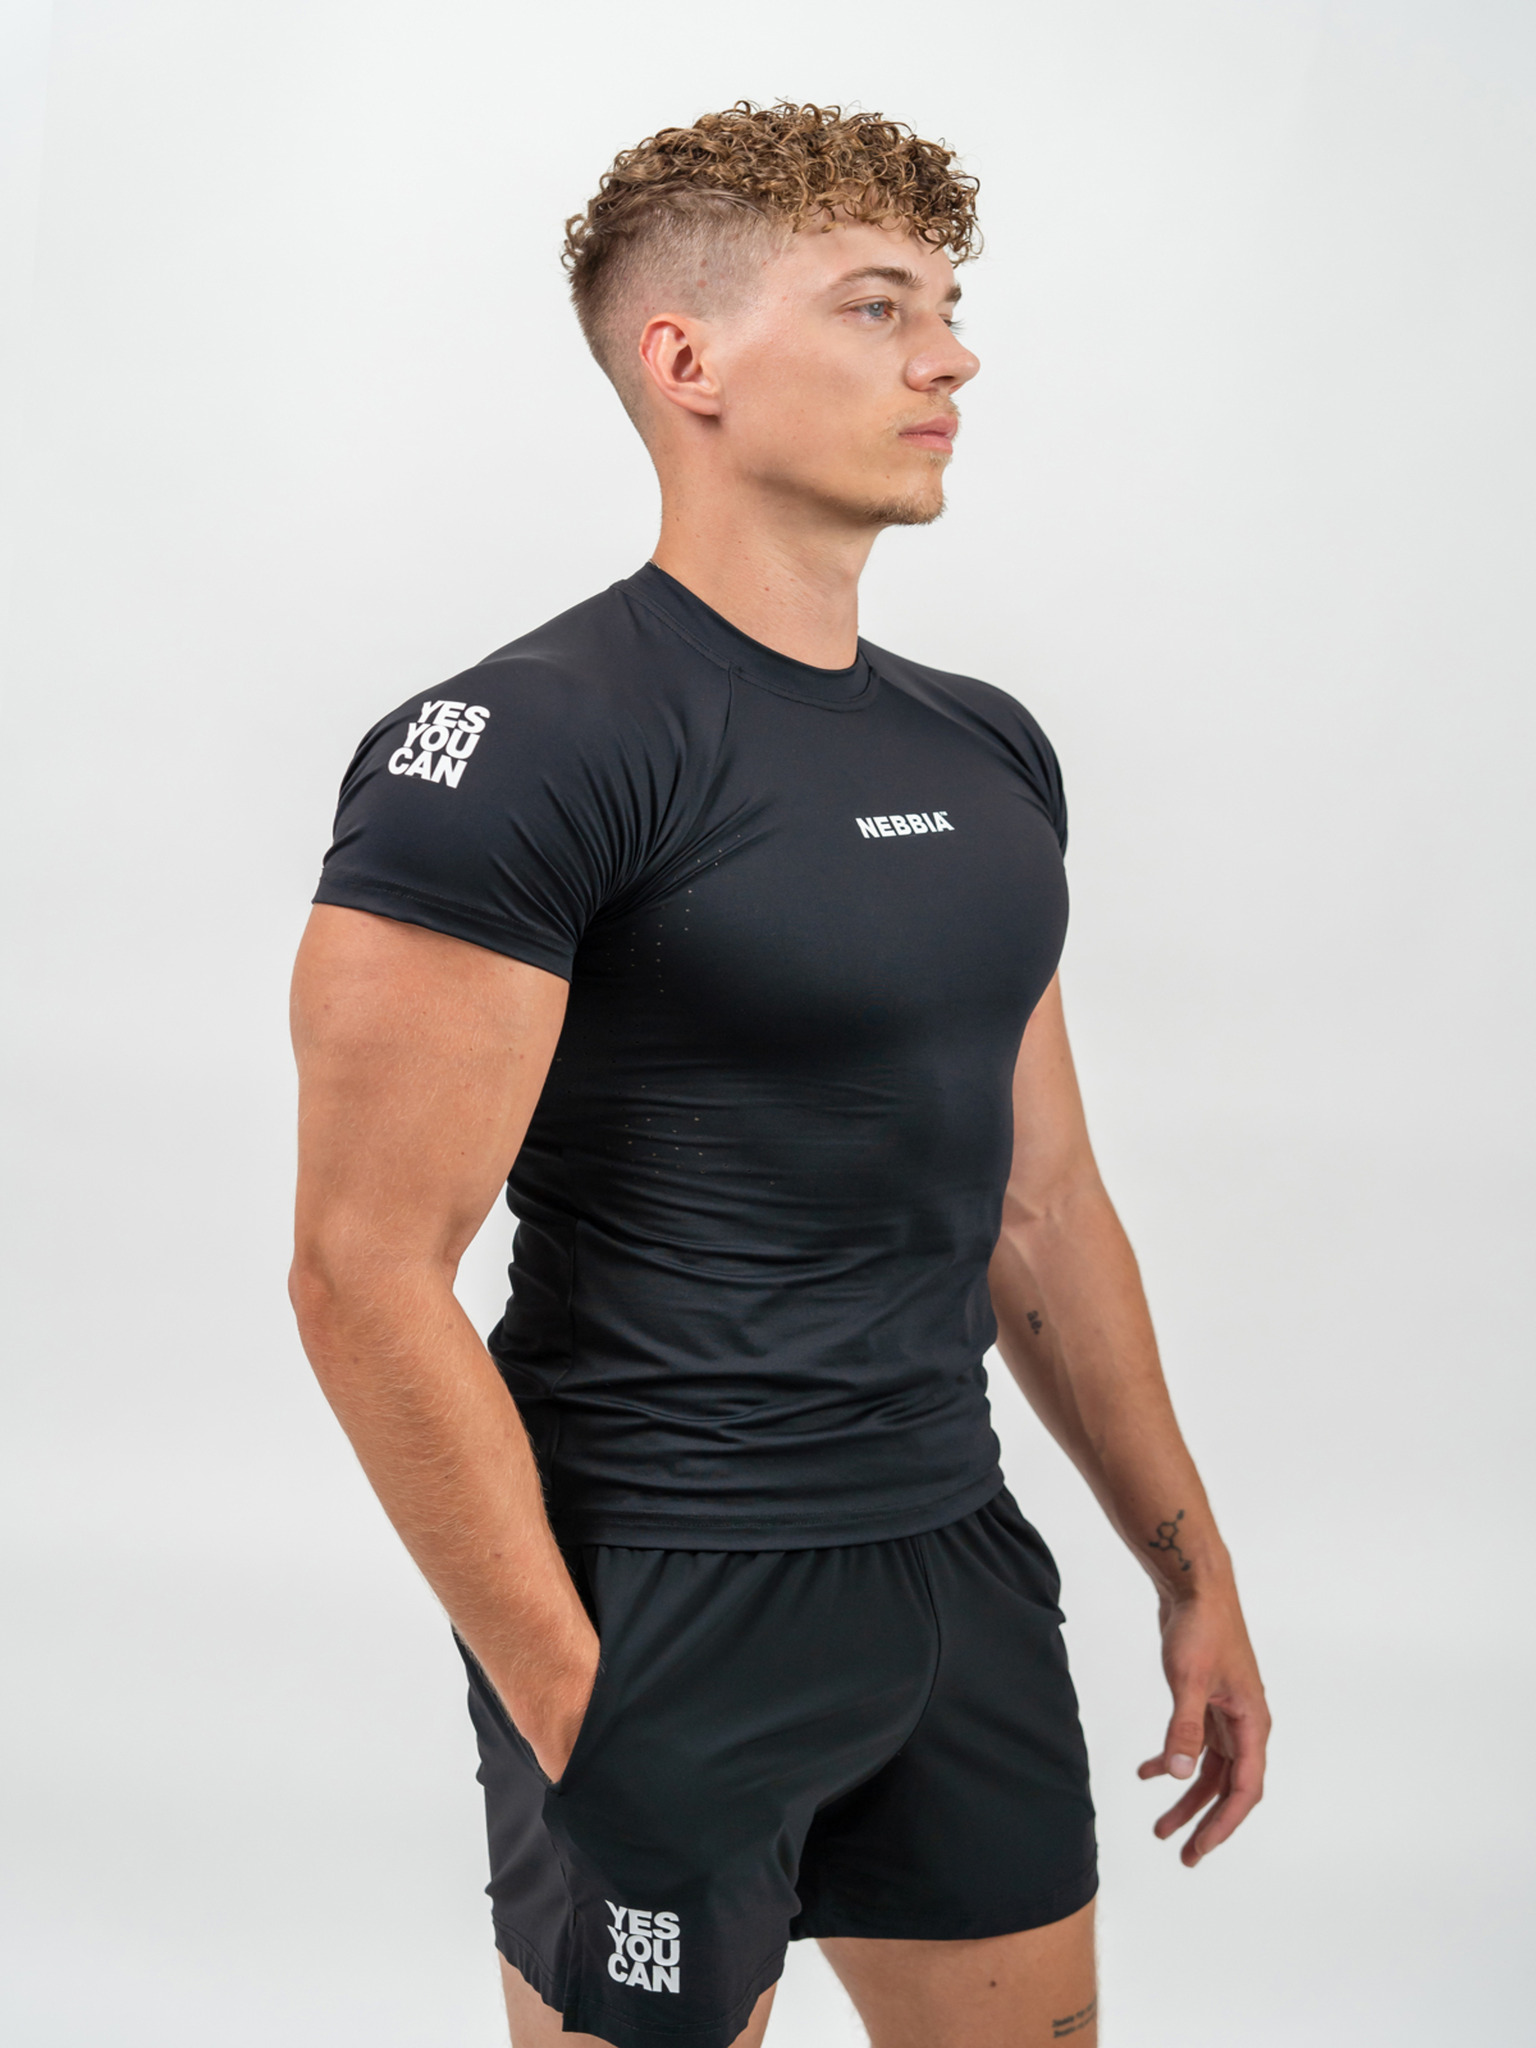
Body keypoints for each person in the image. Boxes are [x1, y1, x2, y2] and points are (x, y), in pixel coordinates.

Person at [289, 101, 1269, 2048]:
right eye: (879, 305)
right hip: (661, 1587)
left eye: (950, 307)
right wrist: (571, 1698)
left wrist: (1190, 1560)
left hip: (955, 1570)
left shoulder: (985, 748)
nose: (952, 357)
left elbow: (1040, 1203)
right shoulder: (517, 748)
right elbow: (362, 1272)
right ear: (688, 360)